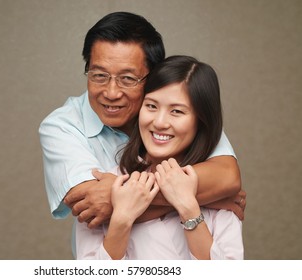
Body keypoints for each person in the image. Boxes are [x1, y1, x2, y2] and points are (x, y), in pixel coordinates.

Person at [39, 12, 245, 241]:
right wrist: (207, 198)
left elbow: (226, 177)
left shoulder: (176, 112)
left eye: (128, 79)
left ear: (153, 76)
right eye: (99, 75)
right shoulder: (61, 126)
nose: (111, 92)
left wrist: (122, 196)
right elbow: (96, 207)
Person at [76, 55, 244, 260]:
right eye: (151, 106)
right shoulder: (106, 188)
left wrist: (188, 209)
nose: (160, 122)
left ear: (201, 121)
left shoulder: (216, 194)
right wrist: (121, 219)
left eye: (177, 111)